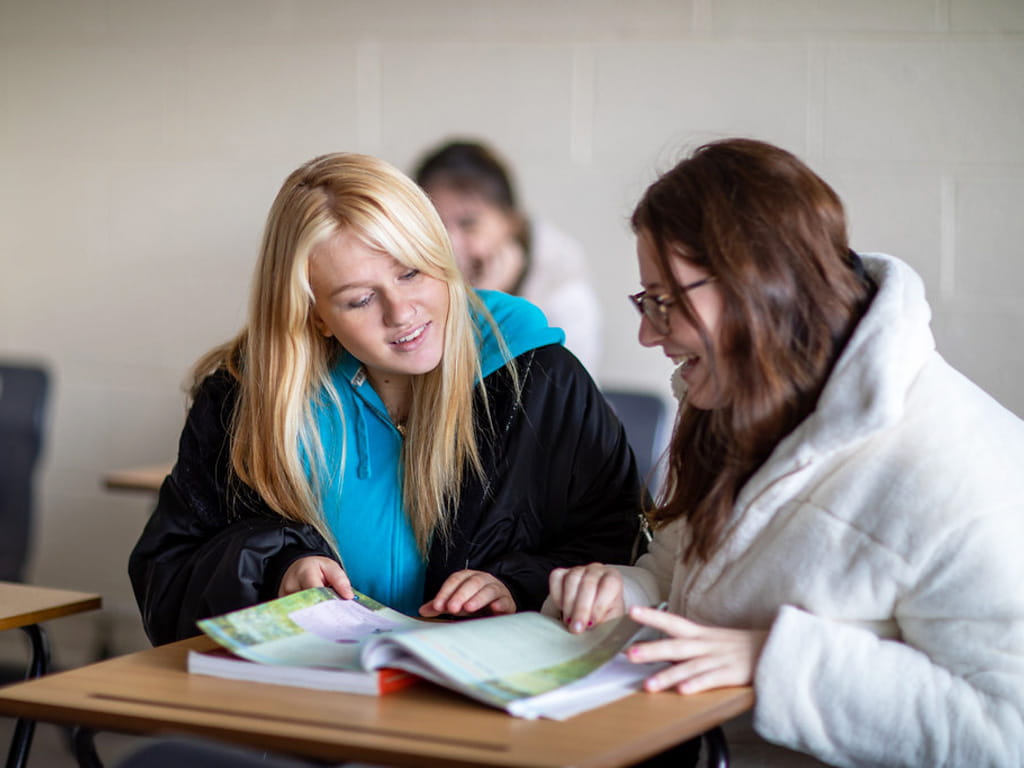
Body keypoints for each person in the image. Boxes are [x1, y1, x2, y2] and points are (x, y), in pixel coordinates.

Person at [546, 138, 1024, 766]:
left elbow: (1004, 730)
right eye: (647, 300)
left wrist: (775, 662)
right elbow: (685, 576)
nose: (646, 332)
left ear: (756, 282)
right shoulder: (746, 397)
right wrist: (624, 593)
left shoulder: (956, 468)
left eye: (665, 302)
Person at [128, 152, 645, 647]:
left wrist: (520, 586)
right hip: (307, 708)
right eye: (359, 299)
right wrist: (276, 570)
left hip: (487, 716)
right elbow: (167, 578)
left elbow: (615, 552)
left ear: (442, 259)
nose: (401, 312)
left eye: (411, 272)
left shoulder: (540, 378)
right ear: (315, 315)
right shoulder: (246, 400)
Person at [413, 139, 603, 373]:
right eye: (436, 225)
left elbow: (543, 400)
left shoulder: (565, 296)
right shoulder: (407, 278)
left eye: (469, 223)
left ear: (511, 223)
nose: (450, 245)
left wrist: (488, 307)